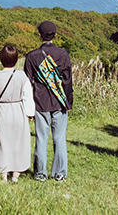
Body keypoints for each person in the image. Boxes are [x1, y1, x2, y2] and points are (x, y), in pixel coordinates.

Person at [25, 20, 73, 182]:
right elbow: (67, 81)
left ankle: (40, 173)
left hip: (40, 102)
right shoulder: (63, 54)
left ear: (39, 35)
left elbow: (27, 83)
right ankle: (60, 172)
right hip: (59, 102)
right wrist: (69, 102)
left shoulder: (32, 56)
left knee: (41, 138)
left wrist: (28, 107)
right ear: (55, 35)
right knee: (59, 138)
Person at [0, 44, 35, 183]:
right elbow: (27, 96)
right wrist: (30, 113)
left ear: (1, 58)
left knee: (2, 143)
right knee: (19, 143)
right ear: (16, 59)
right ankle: (16, 175)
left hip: (2, 111)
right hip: (18, 110)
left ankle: (3, 175)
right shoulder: (21, 75)